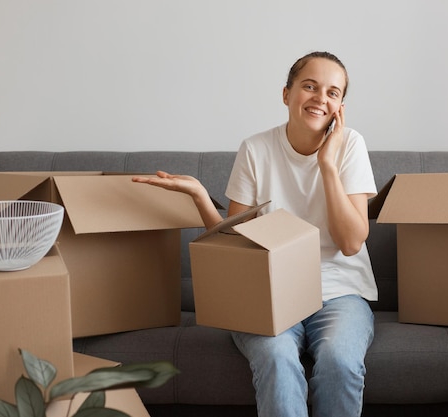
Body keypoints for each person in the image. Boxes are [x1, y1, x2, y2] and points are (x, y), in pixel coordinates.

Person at [133, 51, 378, 417]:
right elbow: (237, 246)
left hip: (341, 291)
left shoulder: (351, 146)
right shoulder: (256, 149)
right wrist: (201, 194)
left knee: (340, 361)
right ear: (286, 94)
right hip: (268, 293)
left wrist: (327, 165)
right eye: (309, 86)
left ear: (341, 106)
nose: (320, 98)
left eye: (332, 92)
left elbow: (351, 242)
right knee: (276, 358)